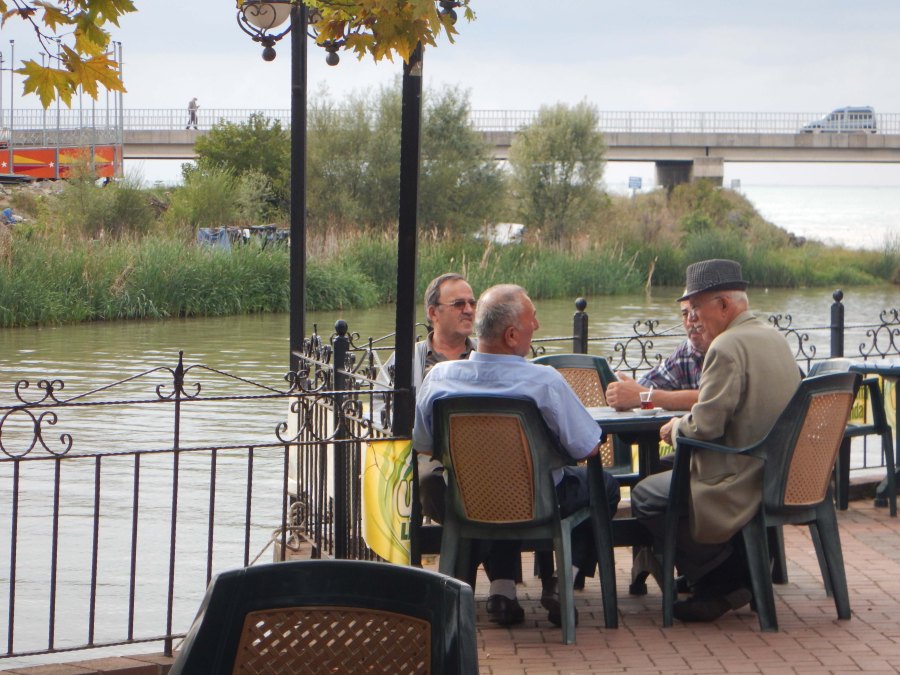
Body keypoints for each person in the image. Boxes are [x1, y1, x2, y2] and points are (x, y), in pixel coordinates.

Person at [413, 284, 621, 627]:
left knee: (498, 483)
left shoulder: (438, 379)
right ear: (511, 335)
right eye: (532, 319)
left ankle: (502, 592)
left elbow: (423, 445)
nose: (536, 325)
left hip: (468, 500)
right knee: (604, 486)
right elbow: (587, 448)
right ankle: (563, 582)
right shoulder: (544, 382)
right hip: (540, 501)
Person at [630, 259, 801, 623]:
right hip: (781, 471)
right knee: (668, 468)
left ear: (723, 305)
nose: (692, 319)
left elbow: (704, 426)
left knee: (646, 495)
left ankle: (724, 577)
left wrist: (675, 428)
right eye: (688, 312)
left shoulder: (726, 346)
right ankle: (726, 569)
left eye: (696, 309)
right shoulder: (774, 337)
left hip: (743, 475)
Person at [381, 274, 526, 626]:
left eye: (472, 303)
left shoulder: (489, 354)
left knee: (510, 484)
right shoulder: (408, 360)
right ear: (433, 312)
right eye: (459, 303)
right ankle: (501, 590)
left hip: (489, 458)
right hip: (430, 453)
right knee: (429, 481)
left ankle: (475, 587)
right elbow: (383, 412)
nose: (469, 310)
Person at [606, 300, 709, 411]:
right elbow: (650, 383)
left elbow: (713, 399)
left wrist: (644, 397)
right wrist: (624, 393)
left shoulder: (723, 348)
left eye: (696, 311)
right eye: (685, 314)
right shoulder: (686, 351)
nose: (690, 321)